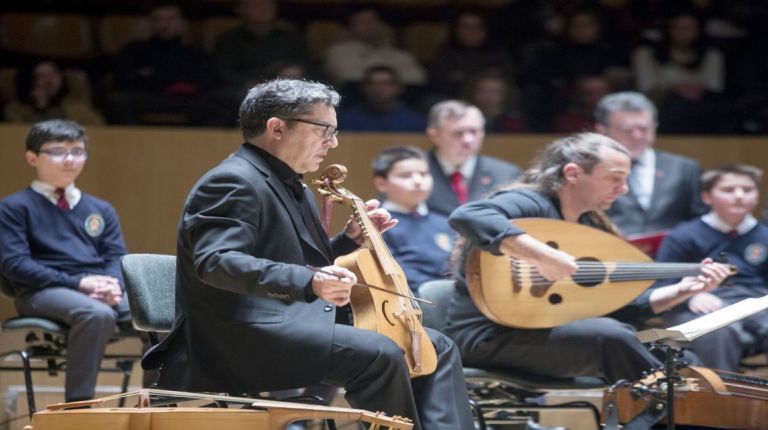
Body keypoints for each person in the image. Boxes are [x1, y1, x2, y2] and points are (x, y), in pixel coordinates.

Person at [141, 79, 475, 430]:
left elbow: (291, 262)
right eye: (324, 130)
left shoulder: (289, 182)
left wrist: (347, 241)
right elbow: (216, 262)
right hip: (237, 339)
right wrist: (311, 280)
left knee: (431, 344)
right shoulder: (233, 181)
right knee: (381, 353)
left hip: (286, 322)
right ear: (277, 128)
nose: (333, 142)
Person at [446, 132, 731, 383]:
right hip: (489, 337)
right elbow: (469, 215)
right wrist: (544, 256)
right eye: (614, 178)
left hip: (547, 330)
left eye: (626, 179)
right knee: (610, 336)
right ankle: (673, 408)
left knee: (675, 355)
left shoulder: (591, 226)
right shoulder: (533, 203)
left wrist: (682, 289)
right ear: (573, 174)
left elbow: (612, 307)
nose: (624, 189)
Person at [0, 119, 130, 402]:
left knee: (157, 313)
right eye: (58, 151)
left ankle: (158, 399)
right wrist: (80, 284)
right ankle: (78, 408)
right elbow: (15, 265)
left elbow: (116, 257)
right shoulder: (14, 207)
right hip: (40, 291)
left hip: (95, 287)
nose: (70, 159)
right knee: (96, 314)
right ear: (32, 157)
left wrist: (113, 286)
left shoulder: (100, 209)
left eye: (78, 150)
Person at [654, 164, 768, 371]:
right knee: (717, 328)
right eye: (728, 190)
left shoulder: (764, 235)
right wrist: (691, 296)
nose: (739, 195)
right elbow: (662, 284)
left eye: (747, 189)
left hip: (756, 301)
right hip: (699, 301)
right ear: (706, 197)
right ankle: (720, 397)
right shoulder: (682, 236)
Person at [594, 91, 708, 236]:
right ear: (602, 130)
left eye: (644, 128)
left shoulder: (685, 168)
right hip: (610, 252)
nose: (637, 136)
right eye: (627, 130)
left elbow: (700, 219)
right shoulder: (591, 168)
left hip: (671, 254)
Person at [107, 3, 216, 125]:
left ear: (181, 23)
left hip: (187, 100)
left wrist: (154, 76)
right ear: (151, 24)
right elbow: (127, 78)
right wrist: (164, 83)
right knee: (119, 101)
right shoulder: (135, 49)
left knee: (215, 103)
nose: (165, 24)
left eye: (170, 19)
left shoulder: (194, 53)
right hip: (149, 97)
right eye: (158, 19)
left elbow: (207, 80)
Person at [373, 146, 454, 293]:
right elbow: (395, 273)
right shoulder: (377, 224)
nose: (418, 181)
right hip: (411, 302)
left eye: (424, 174)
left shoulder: (445, 222)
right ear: (381, 183)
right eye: (405, 175)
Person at [424, 100, 522, 217]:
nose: (468, 140)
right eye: (458, 133)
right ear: (434, 135)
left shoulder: (507, 174)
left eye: (474, 131)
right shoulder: (415, 172)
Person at [4, 61, 104, 125]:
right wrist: (41, 109)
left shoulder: (77, 107)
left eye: (53, 74)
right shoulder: (15, 111)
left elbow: (99, 130)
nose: (49, 80)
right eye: (41, 76)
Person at [338, 66, 426, 132]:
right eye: (372, 83)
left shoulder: (416, 120)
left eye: (385, 83)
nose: (379, 88)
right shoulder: (346, 118)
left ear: (399, 88)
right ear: (363, 88)